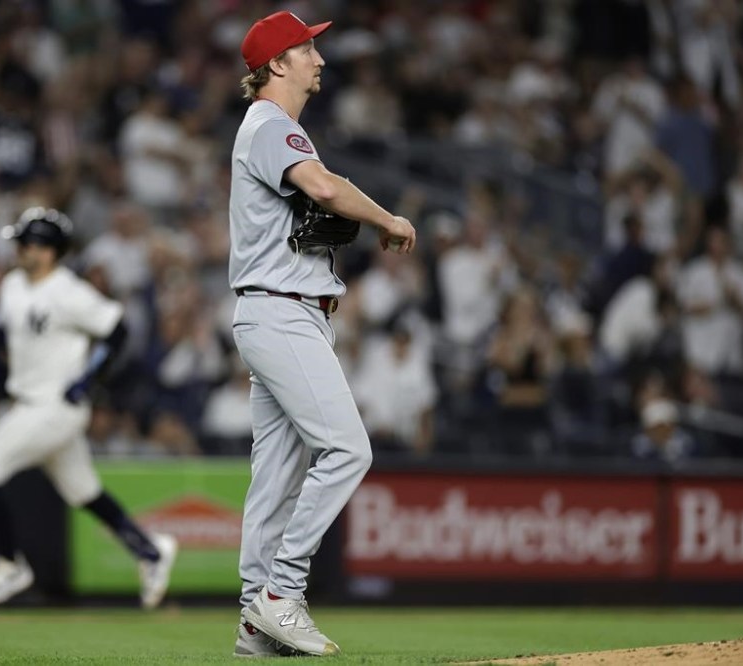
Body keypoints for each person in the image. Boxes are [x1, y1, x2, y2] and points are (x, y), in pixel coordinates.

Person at [228, 12, 416, 658]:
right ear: (277, 64)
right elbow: (325, 188)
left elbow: (314, 200)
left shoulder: (273, 129)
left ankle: (255, 622)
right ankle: (281, 593)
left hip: (280, 310)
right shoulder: (271, 125)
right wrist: (388, 218)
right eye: (307, 48)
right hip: (281, 312)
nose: (320, 59)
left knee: (276, 474)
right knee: (347, 451)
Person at [0, 207, 177, 608]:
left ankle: (10, 563)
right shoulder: (12, 285)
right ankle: (149, 550)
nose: (20, 249)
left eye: (27, 243)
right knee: (83, 492)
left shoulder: (68, 291)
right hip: (29, 400)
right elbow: (13, 334)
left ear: (48, 250)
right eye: (20, 242)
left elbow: (118, 328)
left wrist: (88, 378)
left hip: (54, 406)